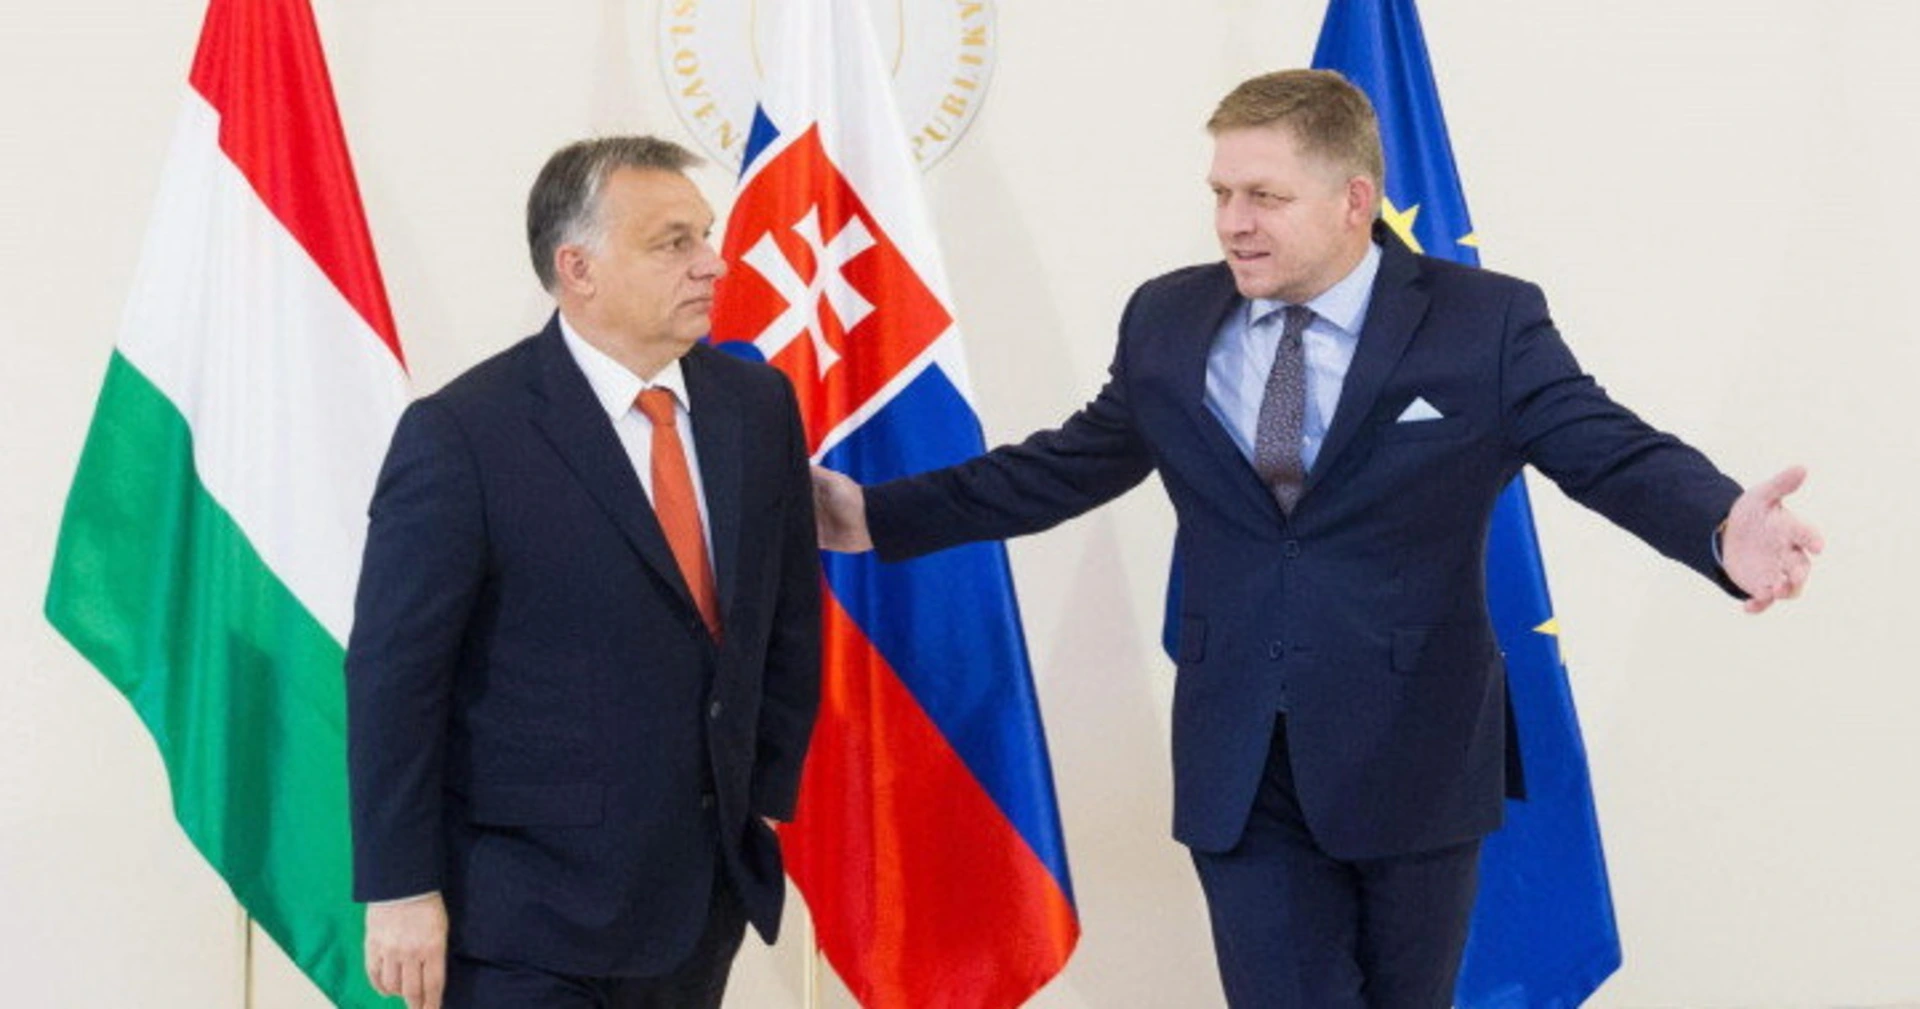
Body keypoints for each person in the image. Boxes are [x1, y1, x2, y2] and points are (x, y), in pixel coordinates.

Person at [810, 70, 1821, 1008]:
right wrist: (873, 515)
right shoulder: (1167, 317)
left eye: (1265, 196)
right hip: (1241, 762)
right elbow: (1065, 463)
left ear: (1353, 200)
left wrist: (1716, 524)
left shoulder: (1484, 323)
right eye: (1221, 193)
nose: (1232, 223)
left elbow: (1607, 449)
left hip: (1417, 755)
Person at [345, 136, 821, 1009]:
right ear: (578, 268)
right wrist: (401, 886)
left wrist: (761, 797)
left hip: (698, 902)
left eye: (704, 235)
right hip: (522, 918)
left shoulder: (757, 407)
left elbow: (786, 617)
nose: (712, 263)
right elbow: (394, 675)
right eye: (673, 242)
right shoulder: (464, 435)